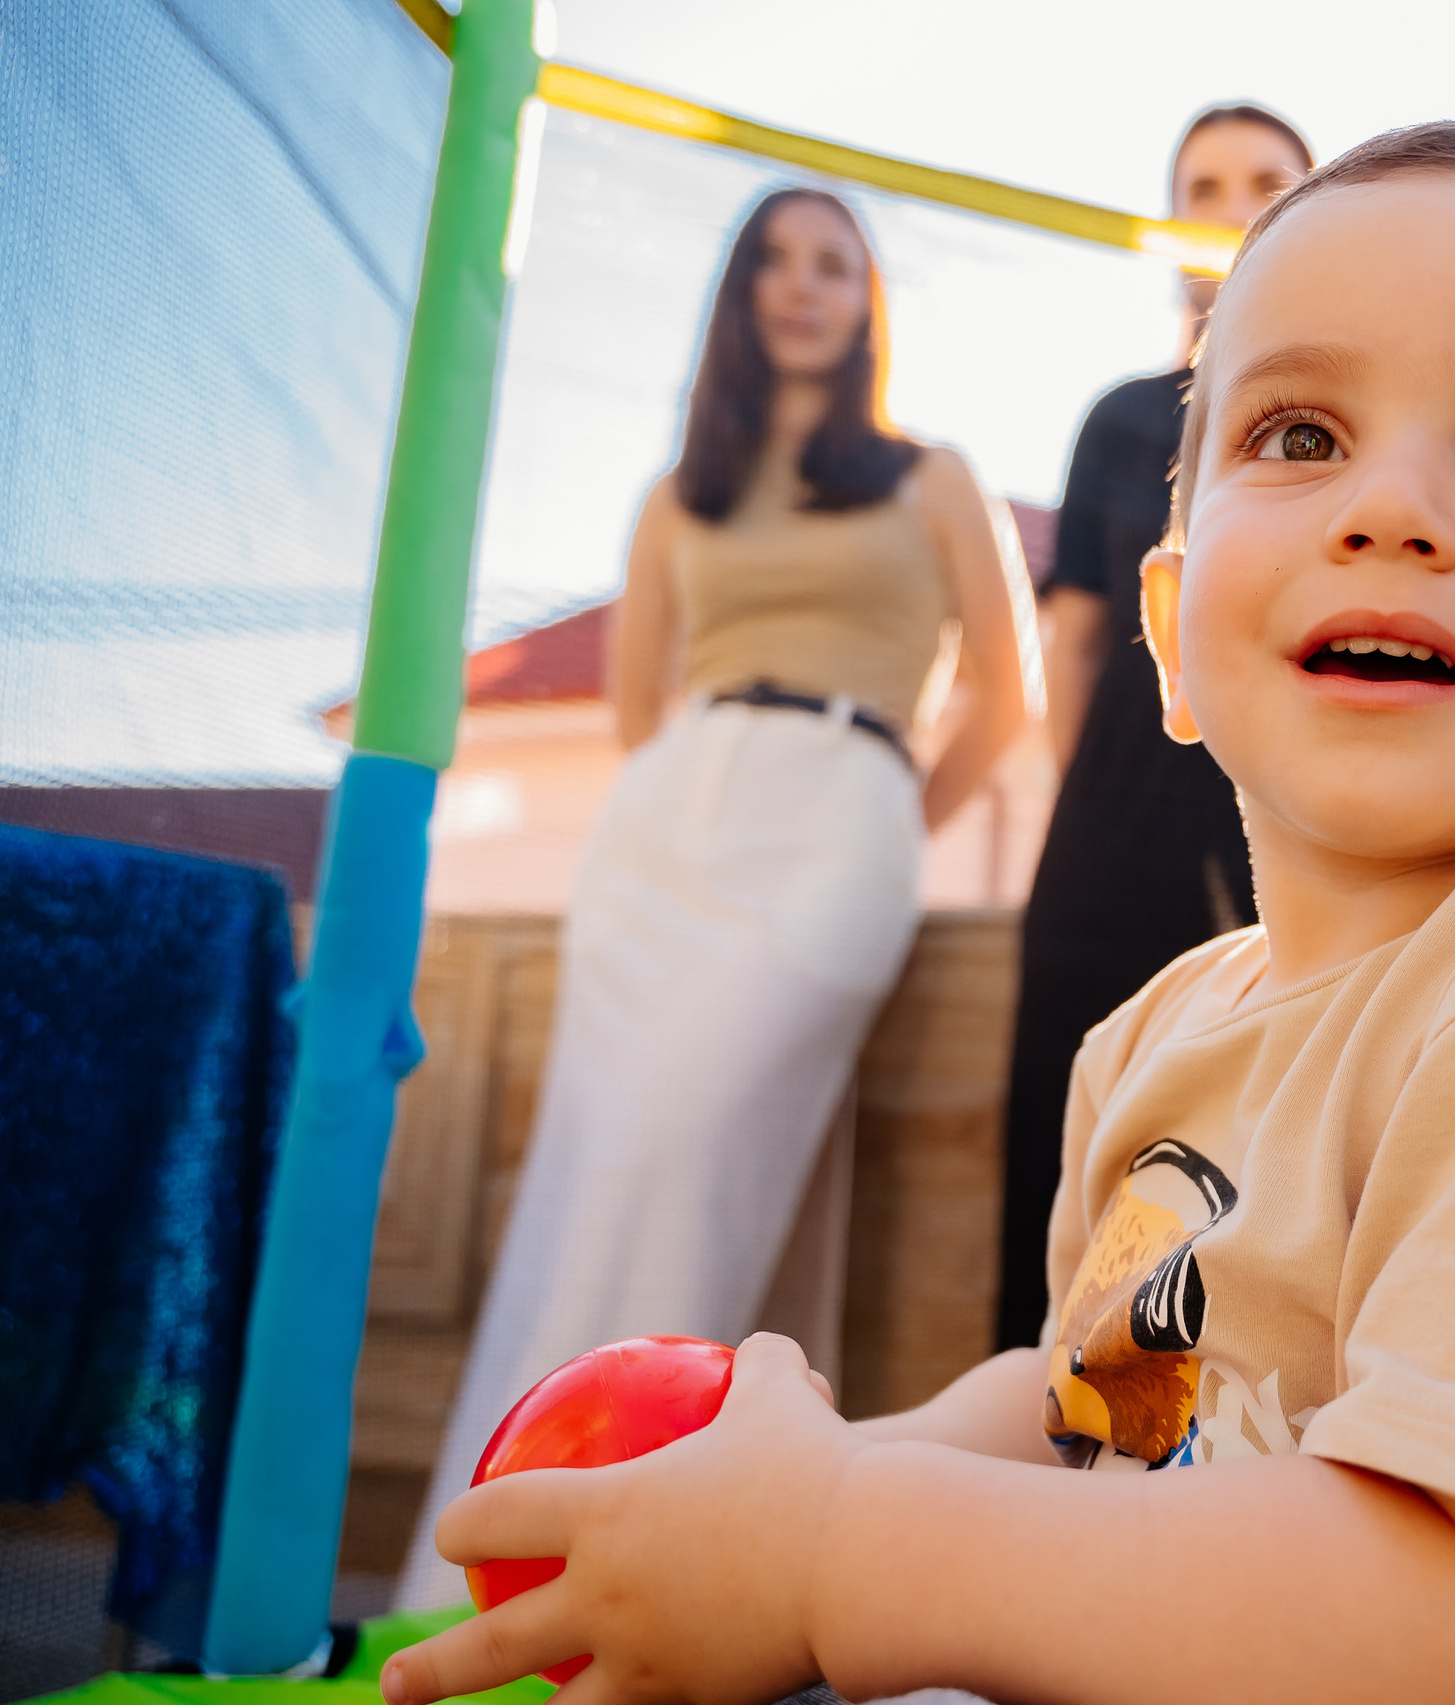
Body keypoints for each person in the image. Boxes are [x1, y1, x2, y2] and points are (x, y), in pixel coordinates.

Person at [380, 122, 1455, 1705]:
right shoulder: (1156, 1040)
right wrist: (788, 1484)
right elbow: (1097, 1404)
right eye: (1302, 433)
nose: (1391, 506)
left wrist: (836, 1542)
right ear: (1171, 634)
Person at [394, 188, 1026, 1610]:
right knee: (596, 1170)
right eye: (776, 264)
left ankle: (645, 1560)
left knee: (694, 1158)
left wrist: (880, 817)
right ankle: (503, 1556)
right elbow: (636, 709)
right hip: (671, 837)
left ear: (871, 301)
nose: (804, 290)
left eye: (836, 265)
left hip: (843, 821)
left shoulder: (933, 478)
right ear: (739, 294)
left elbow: (1005, 692)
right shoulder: (678, 496)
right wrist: (704, 804)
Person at [994, 104, 1314, 1352]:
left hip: (1280, 819)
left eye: (1266, 182)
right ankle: (1041, 1458)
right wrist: (1087, 813)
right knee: (1071, 1157)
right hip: (1112, 824)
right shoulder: (1121, 418)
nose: (1230, 206)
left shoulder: (1343, 426)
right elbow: (1077, 636)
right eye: (1204, 184)